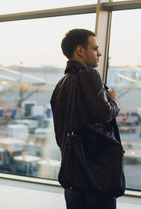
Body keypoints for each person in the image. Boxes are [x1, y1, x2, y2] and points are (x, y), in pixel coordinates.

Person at [50, 29, 121, 209]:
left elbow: (60, 130)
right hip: (95, 174)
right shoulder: (89, 74)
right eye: (95, 48)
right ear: (80, 51)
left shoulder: (60, 84)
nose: (99, 53)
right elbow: (104, 114)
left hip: (73, 173)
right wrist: (113, 100)